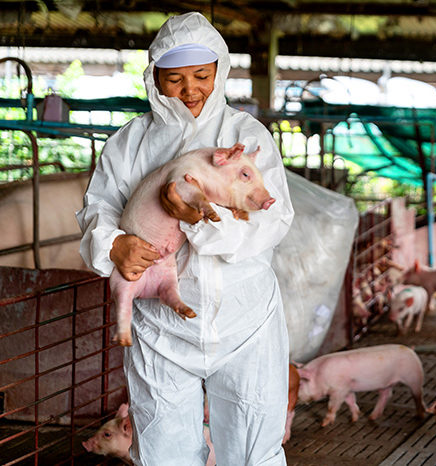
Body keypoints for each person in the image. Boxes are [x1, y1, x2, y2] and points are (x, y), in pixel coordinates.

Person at [76, 12, 294, 465]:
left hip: (244, 320)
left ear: (221, 71)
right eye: (174, 78)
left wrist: (196, 220)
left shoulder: (245, 136)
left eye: (201, 75)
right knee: (163, 452)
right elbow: (98, 209)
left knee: (254, 451)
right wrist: (113, 244)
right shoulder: (131, 142)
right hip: (162, 329)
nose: (190, 89)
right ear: (154, 78)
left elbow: (273, 220)